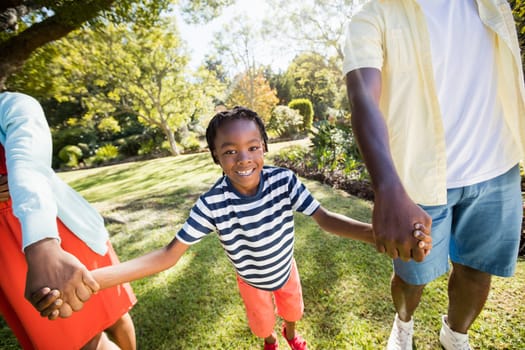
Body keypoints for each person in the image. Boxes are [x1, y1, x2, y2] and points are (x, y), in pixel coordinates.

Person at [37, 106, 431, 350]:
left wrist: (376, 234)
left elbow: (325, 220)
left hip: (286, 270)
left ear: (264, 147)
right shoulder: (212, 202)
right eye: (230, 151)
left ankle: (291, 334)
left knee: (292, 309)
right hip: (252, 282)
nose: (243, 158)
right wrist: (92, 279)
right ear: (215, 156)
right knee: (263, 323)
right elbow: (167, 256)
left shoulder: (285, 182)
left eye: (253, 147)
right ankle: (271, 342)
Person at [343, 1, 524, 349]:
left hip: (497, 169)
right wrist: (388, 187)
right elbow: (363, 94)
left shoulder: (492, 4)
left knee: (476, 270)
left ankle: (455, 335)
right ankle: (404, 323)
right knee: (412, 277)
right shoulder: (371, 14)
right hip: (417, 181)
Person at [0, 91, 137, 350]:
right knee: (80, 338)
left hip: (62, 225)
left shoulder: (10, 105)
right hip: (8, 253)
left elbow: (27, 164)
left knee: (115, 311)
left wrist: (42, 245)